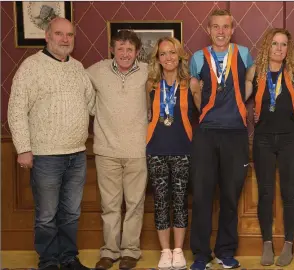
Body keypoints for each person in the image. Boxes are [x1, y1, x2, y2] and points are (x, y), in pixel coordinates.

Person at [7, 17, 94, 270]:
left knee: (71, 214)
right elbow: (16, 110)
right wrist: (23, 148)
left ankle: (68, 259)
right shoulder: (30, 67)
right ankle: (48, 261)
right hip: (45, 156)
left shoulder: (78, 68)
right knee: (46, 216)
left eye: (69, 35)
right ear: (47, 36)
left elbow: (92, 105)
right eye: (59, 34)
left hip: (77, 154)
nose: (65, 39)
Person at [188, 9, 254, 270]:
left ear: (232, 28)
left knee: (230, 195)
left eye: (225, 26)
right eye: (215, 27)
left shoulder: (245, 54)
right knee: (203, 196)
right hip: (206, 134)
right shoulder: (197, 58)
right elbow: (195, 90)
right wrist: (206, 112)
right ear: (208, 29)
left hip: (236, 133)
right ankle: (201, 254)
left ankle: (225, 251)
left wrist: (238, 104)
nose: (221, 32)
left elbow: (250, 81)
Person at [87, 30, 149, 270]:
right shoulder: (96, 71)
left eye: (130, 49)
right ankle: (110, 251)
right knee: (110, 205)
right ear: (112, 49)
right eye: (120, 48)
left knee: (135, 203)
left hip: (138, 150)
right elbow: (79, 92)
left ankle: (130, 252)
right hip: (106, 150)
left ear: (136, 52)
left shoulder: (146, 72)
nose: (125, 54)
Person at [245, 28, 294, 267]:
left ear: (288, 49)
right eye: (274, 44)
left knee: (289, 194)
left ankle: (289, 244)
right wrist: (249, 113)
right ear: (266, 46)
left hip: (290, 139)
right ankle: (267, 243)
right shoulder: (255, 72)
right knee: (266, 194)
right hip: (263, 139)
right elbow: (241, 97)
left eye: (283, 44)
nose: (279, 48)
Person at [145, 37, 200, 270]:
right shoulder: (151, 85)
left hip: (183, 150)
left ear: (180, 56)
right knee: (160, 201)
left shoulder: (191, 83)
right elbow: (146, 114)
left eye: (172, 53)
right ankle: (165, 251)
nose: (168, 58)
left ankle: (178, 251)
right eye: (163, 54)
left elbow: (203, 113)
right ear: (157, 59)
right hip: (156, 149)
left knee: (179, 200)